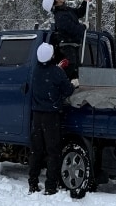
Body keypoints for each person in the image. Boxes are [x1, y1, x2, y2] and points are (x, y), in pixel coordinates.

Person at [28, 42, 78, 195]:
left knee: (36, 151)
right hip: (51, 116)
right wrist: (72, 83)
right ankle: (50, 185)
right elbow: (68, 89)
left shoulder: (35, 71)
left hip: (37, 116)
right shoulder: (56, 72)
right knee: (53, 151)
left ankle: (33, 183)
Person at [42, 0, 92, 78]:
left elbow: (79, 13)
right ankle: (65, 84)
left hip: (73, 44)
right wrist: (83, 26)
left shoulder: (66, 10)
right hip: (67, 46)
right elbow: (72, 29)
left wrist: (85, 1)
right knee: (71, 66)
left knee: (75, 68)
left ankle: (73, 83)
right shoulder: (60, 16)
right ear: (55, 2)